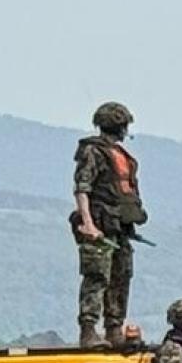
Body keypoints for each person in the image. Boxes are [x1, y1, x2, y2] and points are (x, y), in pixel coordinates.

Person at [71, 101, 144, 348]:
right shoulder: (93, 151)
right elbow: (82, 189)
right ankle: (89, 331)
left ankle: (114, 329)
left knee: (121, 276)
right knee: (97, 276)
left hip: (118, 228)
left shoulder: (121, 155)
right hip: (99, 227)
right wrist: (88, 224)